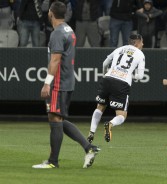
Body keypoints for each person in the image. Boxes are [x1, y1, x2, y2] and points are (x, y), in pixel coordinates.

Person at [32, 1, 100, 169]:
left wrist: (47, 83)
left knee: (55, 118)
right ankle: (89, 147)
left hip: (58, 83)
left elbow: (55, 60)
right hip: (67, 81)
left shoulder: (57, 33)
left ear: (50, 13)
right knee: (58, 118)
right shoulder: (68, 29)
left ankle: (53, 161)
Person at [87, 34, 145, 143]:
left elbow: (104, 63)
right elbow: (140, 76)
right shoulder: (140, 54)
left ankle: (91, 132)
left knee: (100, 107)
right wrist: (130, 75)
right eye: (142, 42)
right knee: (121, 115)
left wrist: (105, 74)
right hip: (122, 83)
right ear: (137, 43)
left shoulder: (119, 49)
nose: (143, 44)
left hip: (108, 79)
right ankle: (110, 124)